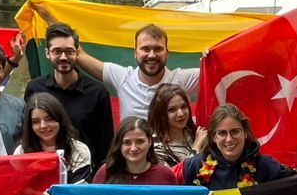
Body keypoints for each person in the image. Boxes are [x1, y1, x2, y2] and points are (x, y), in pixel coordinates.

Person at [45, 12, 200, 121]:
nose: (152, 55)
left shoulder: (181, 79)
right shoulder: (123, 77)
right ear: (135, 53)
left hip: (173, 156)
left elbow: (215, 69)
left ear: (167, 53)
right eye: (145, 49)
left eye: (158, 49)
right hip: (133, 154)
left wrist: (209, 56)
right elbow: (80, 55)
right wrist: (47, 16)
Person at [23, 23, 115, 166]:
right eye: (57, 51)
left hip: (85, 171)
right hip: (42, 168)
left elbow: (106, 144)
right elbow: (28, 132)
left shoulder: (97, 92)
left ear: (77, 53)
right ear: (47, 53)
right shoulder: (35, 88)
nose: (63, 57)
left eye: (69, 51)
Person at [178, 104, 295, 189]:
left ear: (245, 133)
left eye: (235, 131)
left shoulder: (265, 165)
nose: (229, 139)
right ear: (213, 137)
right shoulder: (195, 165)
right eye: (222, 133)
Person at [19, 93, 93, 183]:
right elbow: (19, 187)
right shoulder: (21, 152)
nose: (43, 126)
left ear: (60, 119)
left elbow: (78, 190)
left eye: (49, 119)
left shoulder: (79, 151)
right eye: (36, 122)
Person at [92, 117, 178, 184]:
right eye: (127, 142)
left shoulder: (164, 174)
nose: (133, 148)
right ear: (119, 145)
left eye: (140, 141)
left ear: (150, 142)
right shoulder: (106, 172)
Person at [148, 83, 204, 166]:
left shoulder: (194, 131)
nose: (181, 114)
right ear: (160, 113)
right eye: (172, 110)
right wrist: (196, 147)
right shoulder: (155, 147)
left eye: (183, 106)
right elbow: (175, 173)